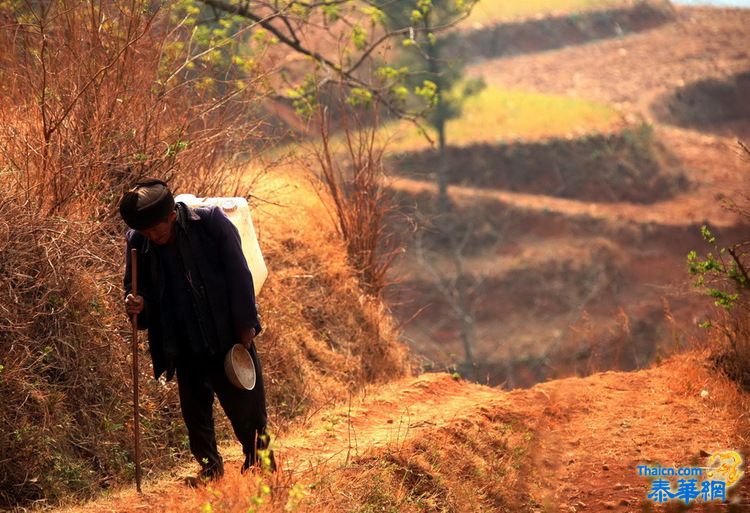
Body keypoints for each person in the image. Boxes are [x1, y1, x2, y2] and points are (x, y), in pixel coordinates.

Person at [119, 178, 275, 484]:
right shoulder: (139, 243)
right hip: (181, 341)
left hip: (225, 334)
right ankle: (209, 469)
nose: (153, 236)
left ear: (171, 216)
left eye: (157, 230)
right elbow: (135, 289)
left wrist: (245, 327)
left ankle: (261, 464)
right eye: (147, 232)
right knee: (195, 414)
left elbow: (239, 275)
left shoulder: (211, 223)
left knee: (246, 406)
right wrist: (135, 304)